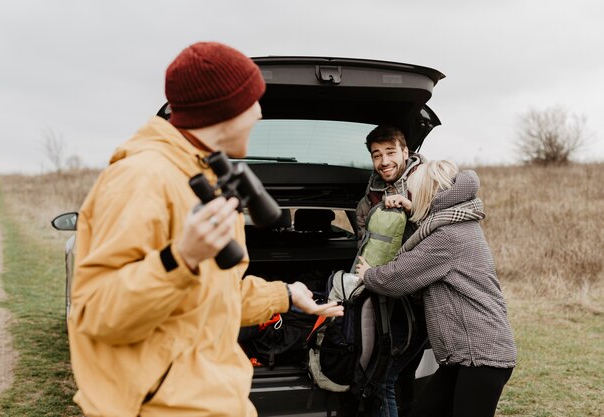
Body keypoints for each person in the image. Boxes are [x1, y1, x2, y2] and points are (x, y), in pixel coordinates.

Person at [67, 42, 343, 417]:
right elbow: (97, 314)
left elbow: (211, 294)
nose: (259, 114)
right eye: (253, 103)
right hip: (161, 407)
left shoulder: (200, 177)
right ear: (224, 110)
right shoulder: (142, 178)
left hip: (214, 399)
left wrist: (287, 295)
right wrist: (181, 258)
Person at [355, 160, 517, 417]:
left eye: (414, 193)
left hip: (481, 356)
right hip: (464, 356)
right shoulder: (454, 224)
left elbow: (398, 276)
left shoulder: (447, 237)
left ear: (427, 192)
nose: (411, 196)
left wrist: (369, 274)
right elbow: (427, 234)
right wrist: (412, 210)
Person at [356, 125, 428, 417]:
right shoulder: (369, 198)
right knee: (399, 380)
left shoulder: (426, 184)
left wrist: (413, 208)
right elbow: (363, 244)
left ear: (405, 152)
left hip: (419, 303)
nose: (384, 161)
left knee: (384, 380)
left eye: (390, 152)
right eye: (377, 155)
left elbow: (444, 232)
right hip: (386, 299)